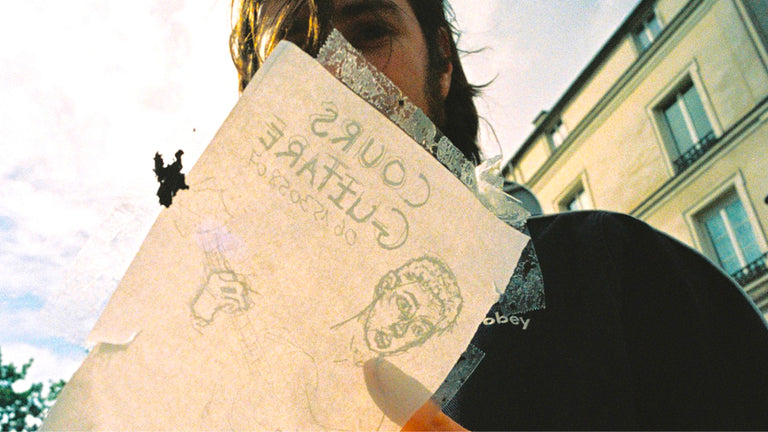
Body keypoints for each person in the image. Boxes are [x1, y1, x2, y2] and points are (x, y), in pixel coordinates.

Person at [230, 0, 768, 430]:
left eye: (369, 32)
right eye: (293, 56)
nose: (332, 72)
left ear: (442, 61)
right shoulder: (238, 356)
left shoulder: (608, 268)